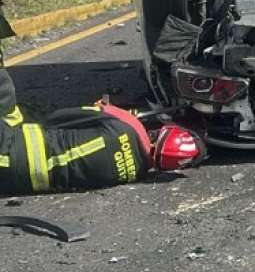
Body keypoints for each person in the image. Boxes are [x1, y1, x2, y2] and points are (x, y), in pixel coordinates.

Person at [0, 65, 205, 195]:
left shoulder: (127, 125)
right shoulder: (135, 173)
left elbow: (59, 118)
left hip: (10, 146)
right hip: (12, 181)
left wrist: (105, 110)